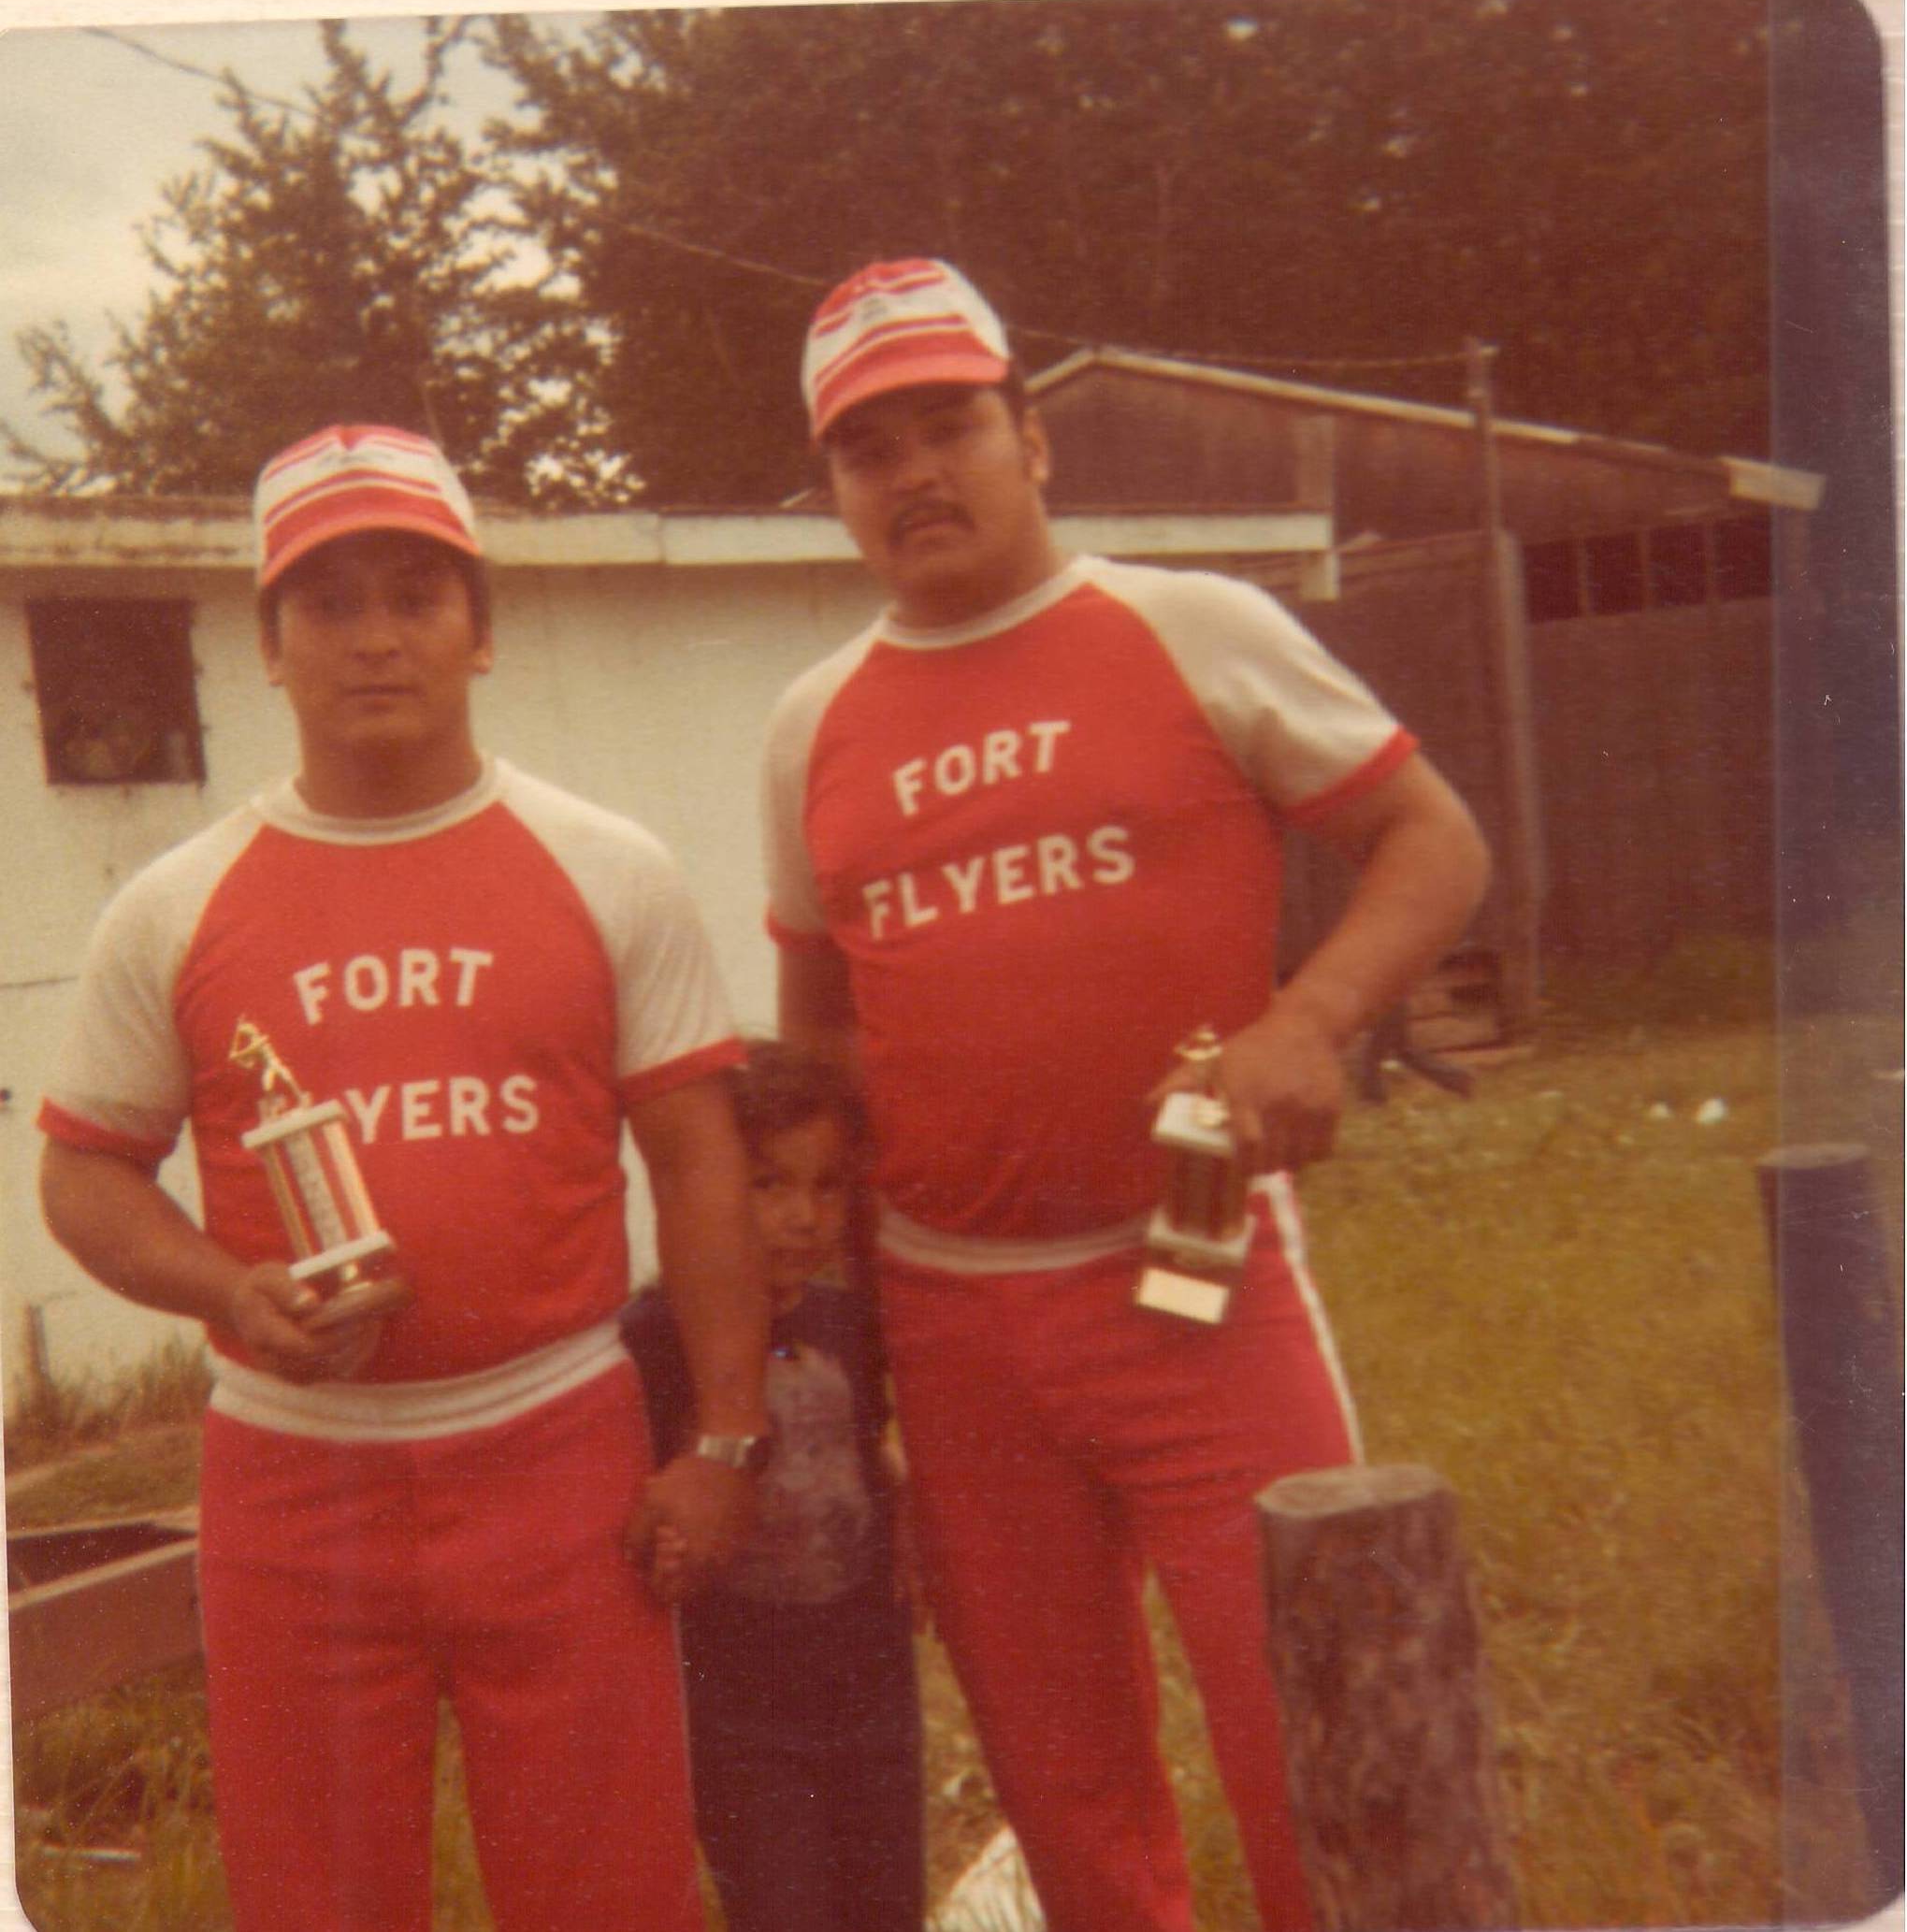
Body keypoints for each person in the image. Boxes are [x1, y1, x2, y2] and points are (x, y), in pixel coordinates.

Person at [763, 258, 1494, 1932]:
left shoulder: (1188, 625)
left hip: (1198, 1275)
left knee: (1308, 1732)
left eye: (948, 424)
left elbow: (1430, 841)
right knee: (1062, 1782)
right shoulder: (807, 728)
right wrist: (838, 1337)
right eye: (870, 450)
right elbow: (820, 1054)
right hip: (953, 1328)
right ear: (833, 491)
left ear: (1031, 440)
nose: (915, 473)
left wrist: (1310, 1016)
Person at [36, 423, 771, 1932]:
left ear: (480, 629)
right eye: (328, 600)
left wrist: (724, 1440)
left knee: (608, 1892)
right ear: (268, 643)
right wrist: (226, 1287)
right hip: (294, 1476)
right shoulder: (174, 906)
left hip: (556, 1444)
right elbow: (85, 1177)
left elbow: (700, 1166)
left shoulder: (604, 865)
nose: (373, 638)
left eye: (414, 594)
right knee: (315, 1901)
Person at [623, 1039, 923, 1932]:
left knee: (887, 1905)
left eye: (827, 1186)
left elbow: (870, 1446)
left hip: (871, 1684)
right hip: (740, 1709)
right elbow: (633, 1502)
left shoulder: (846, 1319)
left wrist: (908, 1510)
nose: (803, 1216)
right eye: (767, 1185)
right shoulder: (652, 1339)